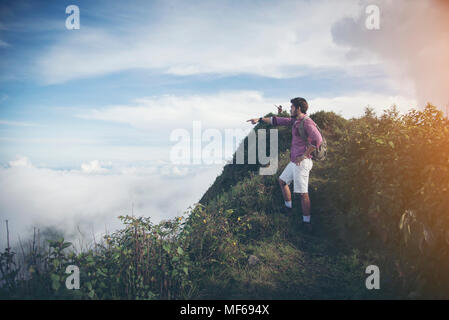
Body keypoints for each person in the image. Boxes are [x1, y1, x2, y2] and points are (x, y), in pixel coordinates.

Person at [247, 97, 323, 230]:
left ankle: (307, 223)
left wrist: (304, 155)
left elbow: (318, 140)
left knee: (303, 193)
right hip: (295, 161)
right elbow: (277, 120)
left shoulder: (307, 122)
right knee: (282, 181)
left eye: (292, 107)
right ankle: (289, 208)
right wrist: (259, 119)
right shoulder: (295, 121)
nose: (290, 109)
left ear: (298, 108)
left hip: (302, 163)